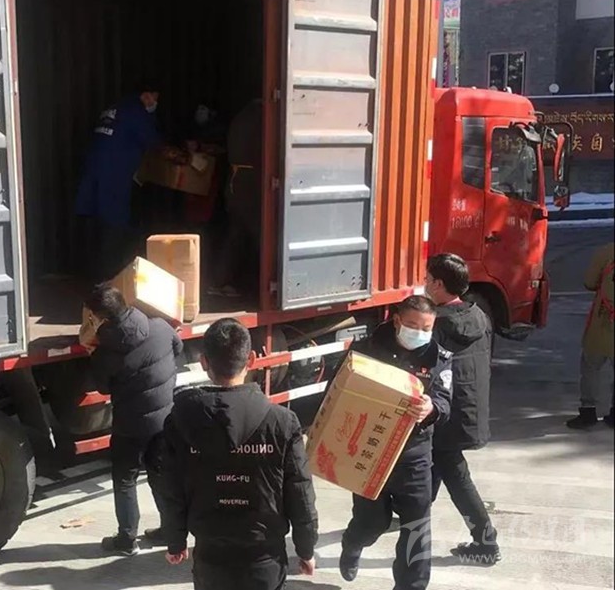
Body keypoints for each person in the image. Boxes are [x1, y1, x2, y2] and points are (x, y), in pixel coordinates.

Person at [159, 318, 318, 590]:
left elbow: (170, 489)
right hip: (265, 560)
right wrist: (306, 549)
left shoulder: (180, 423)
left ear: (203, 362)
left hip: (210, 558)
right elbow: (300, 492)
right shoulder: (282, 422)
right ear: (252, 359)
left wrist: (176, 540)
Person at [339, 295, 452, 590]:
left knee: (417, 528)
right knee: (371, 522)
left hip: (414, 455)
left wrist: (432, 409)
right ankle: (353, 543)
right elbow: (338, 393)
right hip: (370, 450)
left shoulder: (438, 357)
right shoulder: (366, 350)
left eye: (426, 328)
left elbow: (445, 400)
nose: (419, 333)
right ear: (397, 320)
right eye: (413, 325)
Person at [83, 284, 183, 556]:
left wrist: (93, 355)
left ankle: (127, 540)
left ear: (98, 317)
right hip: (164, 417)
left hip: (130, 426)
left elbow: (103, 388)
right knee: (159, 473)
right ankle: (169, 531)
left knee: (125, 479)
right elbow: (178, 347)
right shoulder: (160, 326)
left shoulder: (105, 354)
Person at [425, 253, 500, 564]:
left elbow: (426, 369)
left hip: (447, 411)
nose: (425, 283)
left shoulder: (438, 324)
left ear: (438, 284)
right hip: (470, 405)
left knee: (454, 473)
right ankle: (410, 511)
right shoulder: (479, 315)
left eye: (428, 279)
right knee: (434, 464)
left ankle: (486, 542)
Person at [75, 89, 162, 282]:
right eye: (154, 97)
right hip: (114, 176)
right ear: (146, 95)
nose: (154, 102)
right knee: (114, 225)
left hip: (95, 172)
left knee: (96, 222)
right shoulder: (137, 112)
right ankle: (110, 278)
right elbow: (153, 142)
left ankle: (92, 274)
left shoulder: (115, 108)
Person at [210, 99, 263, 297]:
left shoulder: (242, 117)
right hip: (250, 186)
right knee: (261, 235)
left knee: (236, 234)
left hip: (236, 184)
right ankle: (263, 284)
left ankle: (220, 280)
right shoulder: (261, 118)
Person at [566, 242, 615, 429]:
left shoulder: (606, 252)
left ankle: (588, 412)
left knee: (590, 367)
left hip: (604, 319)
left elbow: (590, 282)